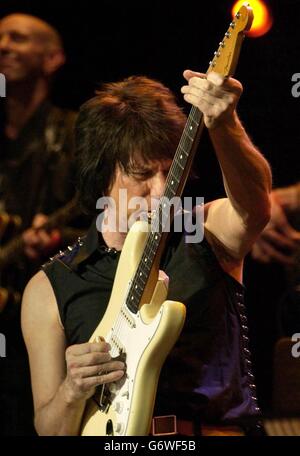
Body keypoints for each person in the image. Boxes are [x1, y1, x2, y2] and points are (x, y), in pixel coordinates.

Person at [21, 71, 272, 436]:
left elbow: (255, 209)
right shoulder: (50, 287)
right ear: (101, 174)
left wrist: (224, 123)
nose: (160, 193)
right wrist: (71, 390)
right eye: (142, 173)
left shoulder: (205, 231)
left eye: (169, 173)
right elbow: (49, 429)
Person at [0, 13, 87, 435]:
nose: (3, 45)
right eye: (0, 37)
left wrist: (57, 239)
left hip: (44, 322)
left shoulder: (75, 134)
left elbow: (110, 227)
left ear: (52, 59)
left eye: (17, 38)